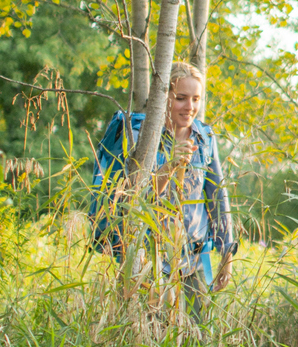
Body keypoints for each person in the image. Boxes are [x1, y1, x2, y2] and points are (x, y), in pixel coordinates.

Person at [90, 61, 236, 311]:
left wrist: (226, 253)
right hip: (148, 262)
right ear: (164, 96)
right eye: (181, 98)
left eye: (196, 99)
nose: (189, 107)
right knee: (146, 341)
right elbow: (132, 201)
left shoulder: (204, 138)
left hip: (193, 263)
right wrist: (169, 167)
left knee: (194, 341)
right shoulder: (141, 136)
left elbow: (217, 197)